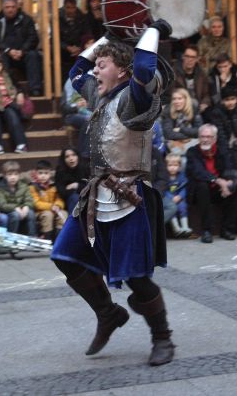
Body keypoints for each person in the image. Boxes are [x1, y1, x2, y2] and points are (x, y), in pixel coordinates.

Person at [50, 22, 176, 366]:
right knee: (64, 255)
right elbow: (76, 71)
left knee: (137, 278)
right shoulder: (101, 95)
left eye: (102, 65)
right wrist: (110, 34)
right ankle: (108, 314)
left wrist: (151, 30)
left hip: (130, 199)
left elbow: (145, 67)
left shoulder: (135, 98)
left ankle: (162, 337)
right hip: (96, 195)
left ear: (122, 70)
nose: (95, 70)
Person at [186, 123, 237, 243]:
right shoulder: (192, 151)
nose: (205, 139)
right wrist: (218, 181)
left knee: (233, 187)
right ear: (198, 138)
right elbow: (198, 172)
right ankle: (206, 230)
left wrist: (228, 182)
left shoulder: (222, 151)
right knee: (202, 186)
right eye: (202, 136)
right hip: (200, 191)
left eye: (208, 137)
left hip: (217, 190)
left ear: (215, 138)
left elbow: (229, 168)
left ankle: (226, 229)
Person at [0, 0, 43, 97]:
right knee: (0, 57)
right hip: (5, 53)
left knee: (33, 55)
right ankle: (8, 89)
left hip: (23, 54)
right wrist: (8, 50)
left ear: (17, 7)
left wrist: (22, 51)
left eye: (13, 7)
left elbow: (33, 38)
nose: (10, 10)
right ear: (3, 8)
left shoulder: (27, 19)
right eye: (7, 7)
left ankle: (35, 89)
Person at [30, 159, 68, 240]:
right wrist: (51, 206)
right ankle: (48, 238)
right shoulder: (33, 187)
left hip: (54, 209)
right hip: (40, 212)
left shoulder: (54, 185)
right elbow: (36, 203)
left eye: (46, 173)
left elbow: (59, 198)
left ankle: (59, 239)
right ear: (36, 173)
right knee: (48, 214)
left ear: (50, 174)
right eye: (40, 173)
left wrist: (58, 205)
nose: (43, 176)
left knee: (63, 213)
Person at [0, 160, 36, 237]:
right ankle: (11, 237)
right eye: (10, 175)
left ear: (19, 175)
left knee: (30, 213)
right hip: (8, 212)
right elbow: (2, 205)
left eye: (16, 174)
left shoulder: (23, 186)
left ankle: (33, 236)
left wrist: (26, 206)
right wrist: (15, 208)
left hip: (22, 210)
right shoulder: (0, 188)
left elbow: (29, 199)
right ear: (5, 176)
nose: (13, 177)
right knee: (15, 215)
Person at [161, 88, 203, 157]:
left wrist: (180, 129)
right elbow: (168, 134)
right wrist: (187, 137)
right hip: (174, 142)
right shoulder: (168, 110)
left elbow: (199, 131)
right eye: (174, 99)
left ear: (186, 99)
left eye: (179, 98)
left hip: (191, 141)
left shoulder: (194, 108)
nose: (176, 101)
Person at [172, 45, 212, 116]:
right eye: (187, 56)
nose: (189, 59)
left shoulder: (201, 74)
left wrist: (205, 103)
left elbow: (206, 94)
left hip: (198, 108)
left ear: (197, 59)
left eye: (193, 57)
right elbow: (169, 94)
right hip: (179, 107)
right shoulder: (173, 72)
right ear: (183, 57)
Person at [163, 153, 192, 238]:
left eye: (175, 165)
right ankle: (176, 229)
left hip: (179, 198)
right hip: (169, 198)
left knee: (182, 207)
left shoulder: (181, 176)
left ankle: (185, 227)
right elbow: (164, 190)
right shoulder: (165, 177)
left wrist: (180, 196)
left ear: (179, 166)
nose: (172, 167)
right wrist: (171, 197)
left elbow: (184, 188)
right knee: (172, 210)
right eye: (170, 165)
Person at [55, 147, 90, 216]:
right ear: (64, 160)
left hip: (86, 198)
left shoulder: (85, 168)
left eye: (73, 155)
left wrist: (76, 186)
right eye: (67, 156)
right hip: (69, 201)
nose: (71, 158)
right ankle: (73, 221)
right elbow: (62, 192)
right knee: (74, 197)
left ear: (78, 156)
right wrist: (78, 190)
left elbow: (90, 187)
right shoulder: (60, 171)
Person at [59, 0, 87, 77]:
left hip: (79, 50)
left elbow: (86, 34)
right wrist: (67, 47)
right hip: (63, 51)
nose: (71, 10)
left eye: (73, 7)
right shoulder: (57, 18)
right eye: (68, 7)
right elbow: (55, 39)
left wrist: (79, 48)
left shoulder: (81, 17)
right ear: (64, 7)